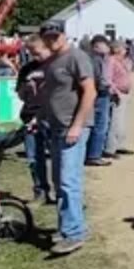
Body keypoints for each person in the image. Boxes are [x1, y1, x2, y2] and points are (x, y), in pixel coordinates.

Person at [34, 21, 97, 256]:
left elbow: (90, 91)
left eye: (56, 35)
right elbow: (51, 95)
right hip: (56, 127)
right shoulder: (51, 63)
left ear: (64, 35)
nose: (53, 40)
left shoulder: (76, 57)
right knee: (60, 181)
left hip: (73, 127)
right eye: (49, 37)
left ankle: (74, 234)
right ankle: (69, 227)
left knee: (69, 181)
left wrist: (77, 125)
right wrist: (38, 118)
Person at [17, 35, 53, 204]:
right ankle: (40, 191)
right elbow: (20, 94)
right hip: (30, 116)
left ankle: (60, 193)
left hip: (51, 117)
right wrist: (26, 88)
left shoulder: (55, 66)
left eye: (37, 52)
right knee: (33, 158)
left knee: (58, 158)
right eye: (31, 53)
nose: (34, 56)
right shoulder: (26, 69)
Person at [84, 35, 114, 167]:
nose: (108, 48)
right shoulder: (94, 59)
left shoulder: (99, 59)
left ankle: (93, 153)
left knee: (98, 124)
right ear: (96, 46)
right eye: (105, 45)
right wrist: (106, 87)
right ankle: (94, 155)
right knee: (100, 125)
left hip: (99, 93)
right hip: (99, 94)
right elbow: (97, 78)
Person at [105, 40, 134, 157]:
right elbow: (108, 79)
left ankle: (119, 145)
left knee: (122, 121)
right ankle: (110, 148)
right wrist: (115, 92)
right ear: (117, 49)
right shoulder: (111, 61)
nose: (125, 50)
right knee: (115, 122)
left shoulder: (122, 61)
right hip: (117, 95)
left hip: (125, 94)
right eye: (123, 48)